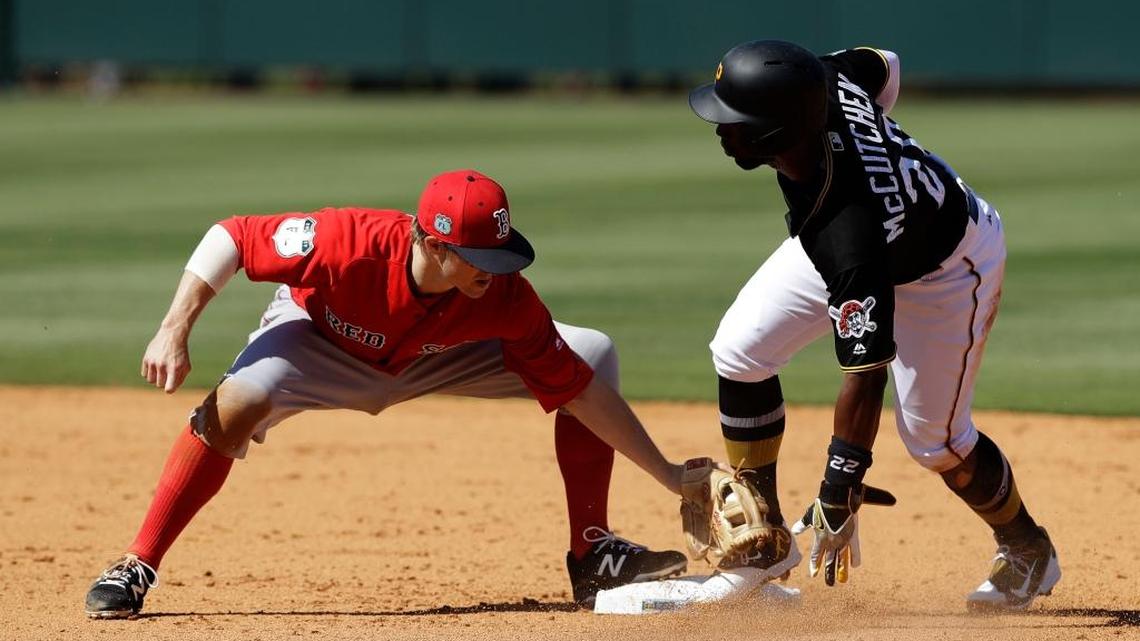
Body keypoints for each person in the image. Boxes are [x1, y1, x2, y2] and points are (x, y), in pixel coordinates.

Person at [84, 169, 689, 619]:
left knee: (591, 352)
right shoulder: (347, 241)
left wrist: (668, 476)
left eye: (500, 254)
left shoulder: (501, 294)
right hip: (321, 340)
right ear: (434, 244)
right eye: (478, 257)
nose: (495, 269)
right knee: (238, 402)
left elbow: (578, 388)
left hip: (438, 355)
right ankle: (137, 562)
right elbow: (233, 237)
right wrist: (174, 328)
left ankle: (592, 553)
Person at [687, 40, 1060, 611]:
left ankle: (1028, 548)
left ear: (774, 132)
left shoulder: (847, 230)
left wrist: (840, 485)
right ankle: (763, 544)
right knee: (741, 350)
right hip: (874, 239)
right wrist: (874, 149)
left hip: (945, 268)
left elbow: (866, 372)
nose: (719, 129)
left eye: (733, 119)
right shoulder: (825, 78)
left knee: (936, 443)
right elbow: (885, 61)